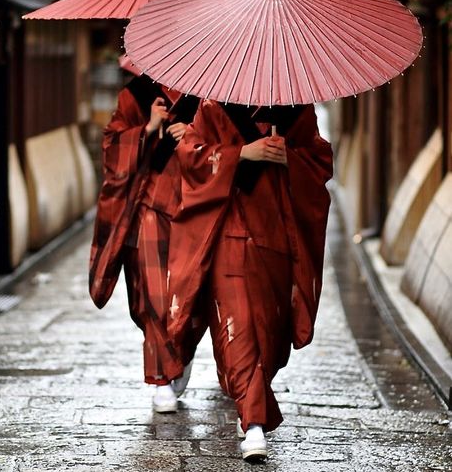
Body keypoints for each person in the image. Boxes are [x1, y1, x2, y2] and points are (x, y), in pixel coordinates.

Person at [167, 100, 333, 461]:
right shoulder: (214, 108)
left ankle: (253, 404)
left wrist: (291, 158)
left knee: (268, 334)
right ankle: (253, 425)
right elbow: (190, 156)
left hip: (276, 238)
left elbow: (320, 160)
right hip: (229, 234)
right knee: (238, 328)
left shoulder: (297, 113)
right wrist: (242, 153)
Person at [89, 73, 199, 413]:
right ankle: (162, 378)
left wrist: (196, 136)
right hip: (149, 204)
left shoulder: (209, 92)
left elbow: (227, 144)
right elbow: (111, 146)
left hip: (197, 204)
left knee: (194, 293)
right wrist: (149, 129)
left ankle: (180, 353)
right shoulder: (136, 94)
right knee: (151, 295)